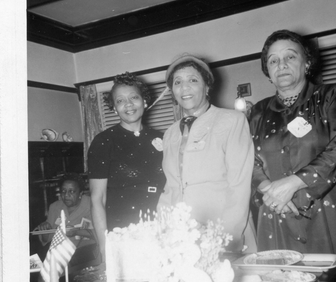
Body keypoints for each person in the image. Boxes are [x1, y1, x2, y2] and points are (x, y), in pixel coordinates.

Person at [249, 29, 336, 282]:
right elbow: (247, 158)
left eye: (289, 57)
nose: (281, 65)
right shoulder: (256, 112)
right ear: (267, 70)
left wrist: (293, 183)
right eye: (273, 61)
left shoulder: (330, 97)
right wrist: (270, 190)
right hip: (275, 213)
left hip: (326, 210)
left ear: (307, 62)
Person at [157, 54, 256, 253]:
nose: (184, 88)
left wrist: (226, 238)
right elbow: (171, 187)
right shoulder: (169, 133)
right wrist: (162, 229)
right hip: (182, 238)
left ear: (207, 86)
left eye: (193, 80)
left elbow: (239, 185)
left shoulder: (232, 120)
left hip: (222, 231)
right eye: (178, 82)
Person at [88, 72, 166, 263]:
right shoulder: (104, 142)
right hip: (122, 234)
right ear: (114, 108)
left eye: (134, 97)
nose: (128, 104)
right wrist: (104, 245)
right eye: (120, 101)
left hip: (162, 232)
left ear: (145, 101)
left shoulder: (164, 138)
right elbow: (97, 199)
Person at [34, 173, 97, 266]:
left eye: (71, 191)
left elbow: (99, 234)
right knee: (35, 262)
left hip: (86, 252)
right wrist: (45, 230)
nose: (66, 195)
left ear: (80, 194)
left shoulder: (92, 205)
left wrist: (76, 232)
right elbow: (47, 239)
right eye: (63, 191)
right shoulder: (55, 207)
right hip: (59, 253)